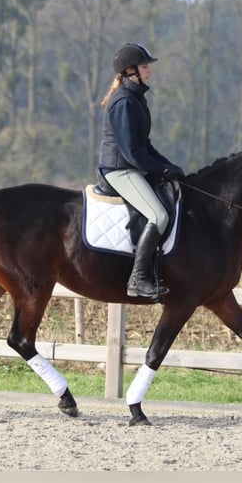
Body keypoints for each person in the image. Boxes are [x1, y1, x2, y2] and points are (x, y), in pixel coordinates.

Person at [97, 43, 185, 300]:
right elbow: (131, 152)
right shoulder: (124, 102)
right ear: (130, 71)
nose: (150, 72)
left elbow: (145, 146)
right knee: (158, 216)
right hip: (118, 170)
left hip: (130, 166)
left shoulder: (136, 98)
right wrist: (160, 168)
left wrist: (169, 166)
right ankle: (138, 279)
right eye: (145, 67)